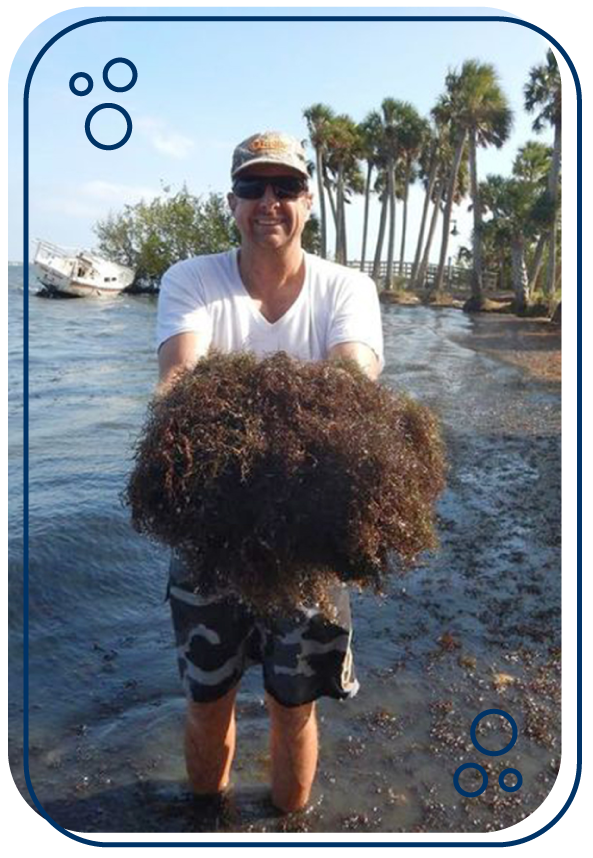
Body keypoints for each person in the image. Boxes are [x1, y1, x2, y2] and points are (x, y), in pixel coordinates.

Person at [155, 130, 384, 816]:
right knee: (207, 703)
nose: (268, 202)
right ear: (232, 202)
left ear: (307, 203)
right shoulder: (191, 279)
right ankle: (206, 820)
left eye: (284, 188)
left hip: (308, 545)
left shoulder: (347, 288)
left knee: (293, 712)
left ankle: (289, 826)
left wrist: (246, 421)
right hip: (209, 538)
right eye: (252, 188)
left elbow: (353, 380)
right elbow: (177, 384)